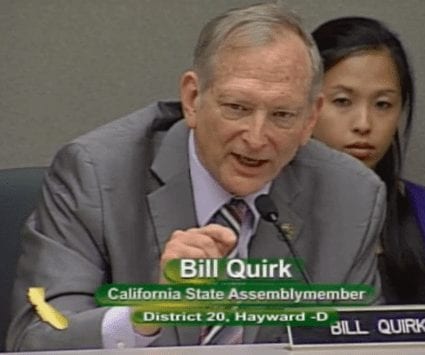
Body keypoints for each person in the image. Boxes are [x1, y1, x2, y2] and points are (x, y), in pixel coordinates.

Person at [7, 4, 386, 351]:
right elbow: (38, 340)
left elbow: (364, 343)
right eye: (237, 108)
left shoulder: (351, 196)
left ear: (310, 118)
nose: (256, 138)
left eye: (282, 115)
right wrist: (147, 312)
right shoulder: (96, 175)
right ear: (192, 99)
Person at [311, 17, 425, 331]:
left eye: (383, 104)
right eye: (342, 101)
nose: (364, 123)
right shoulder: (255, 214)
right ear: (304, 105)